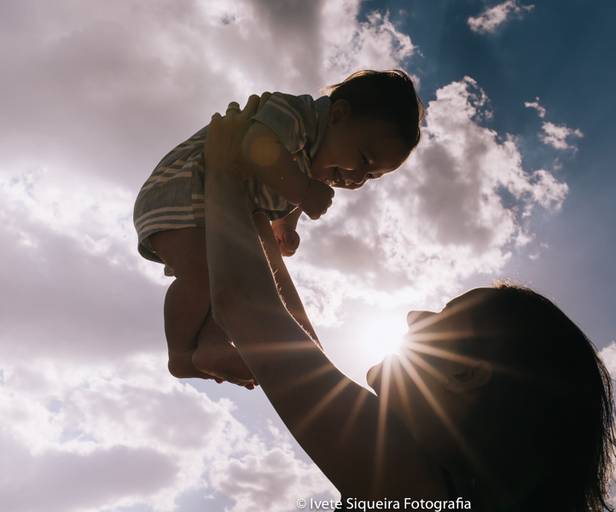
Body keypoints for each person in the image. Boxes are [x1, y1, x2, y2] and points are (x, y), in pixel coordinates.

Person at [201, 99, 616, 511]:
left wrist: (222, 172)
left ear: (466, 371)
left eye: (445, 316)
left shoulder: (412, 484)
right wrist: (258, 222)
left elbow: (245, 306)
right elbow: (299, 349)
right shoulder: (449, 487)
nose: (415, 315)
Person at [131, 70, 424, 386]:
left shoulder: (310, 162)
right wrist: (303, 191)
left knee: (227, 279)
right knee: (204, 274)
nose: (357, 178)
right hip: (181, 192)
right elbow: (257, 146)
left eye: (371, 177)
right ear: (338, 115)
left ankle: (210, 345)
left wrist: (285, 222)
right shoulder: (294, 113)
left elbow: (283, 182)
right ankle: (181, 353)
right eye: (364, 160)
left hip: (210, 210)